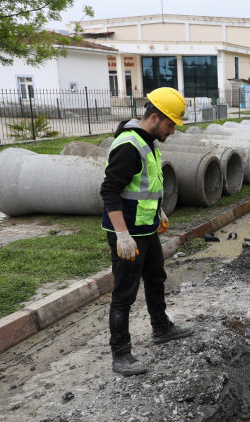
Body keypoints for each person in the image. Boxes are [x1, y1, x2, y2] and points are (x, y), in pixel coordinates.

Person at [100, 87, 192, 376]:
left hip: (146, 227)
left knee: (155, 279)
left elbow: (145, 185)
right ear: (155, 117)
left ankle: (161, 328)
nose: (172, 131)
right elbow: (110, 191)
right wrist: (122, 236)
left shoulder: (147, 142)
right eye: (170, 124)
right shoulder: (128, 146)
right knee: (124, 293)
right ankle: (121, 354)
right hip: (128, 232)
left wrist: (158, 210)